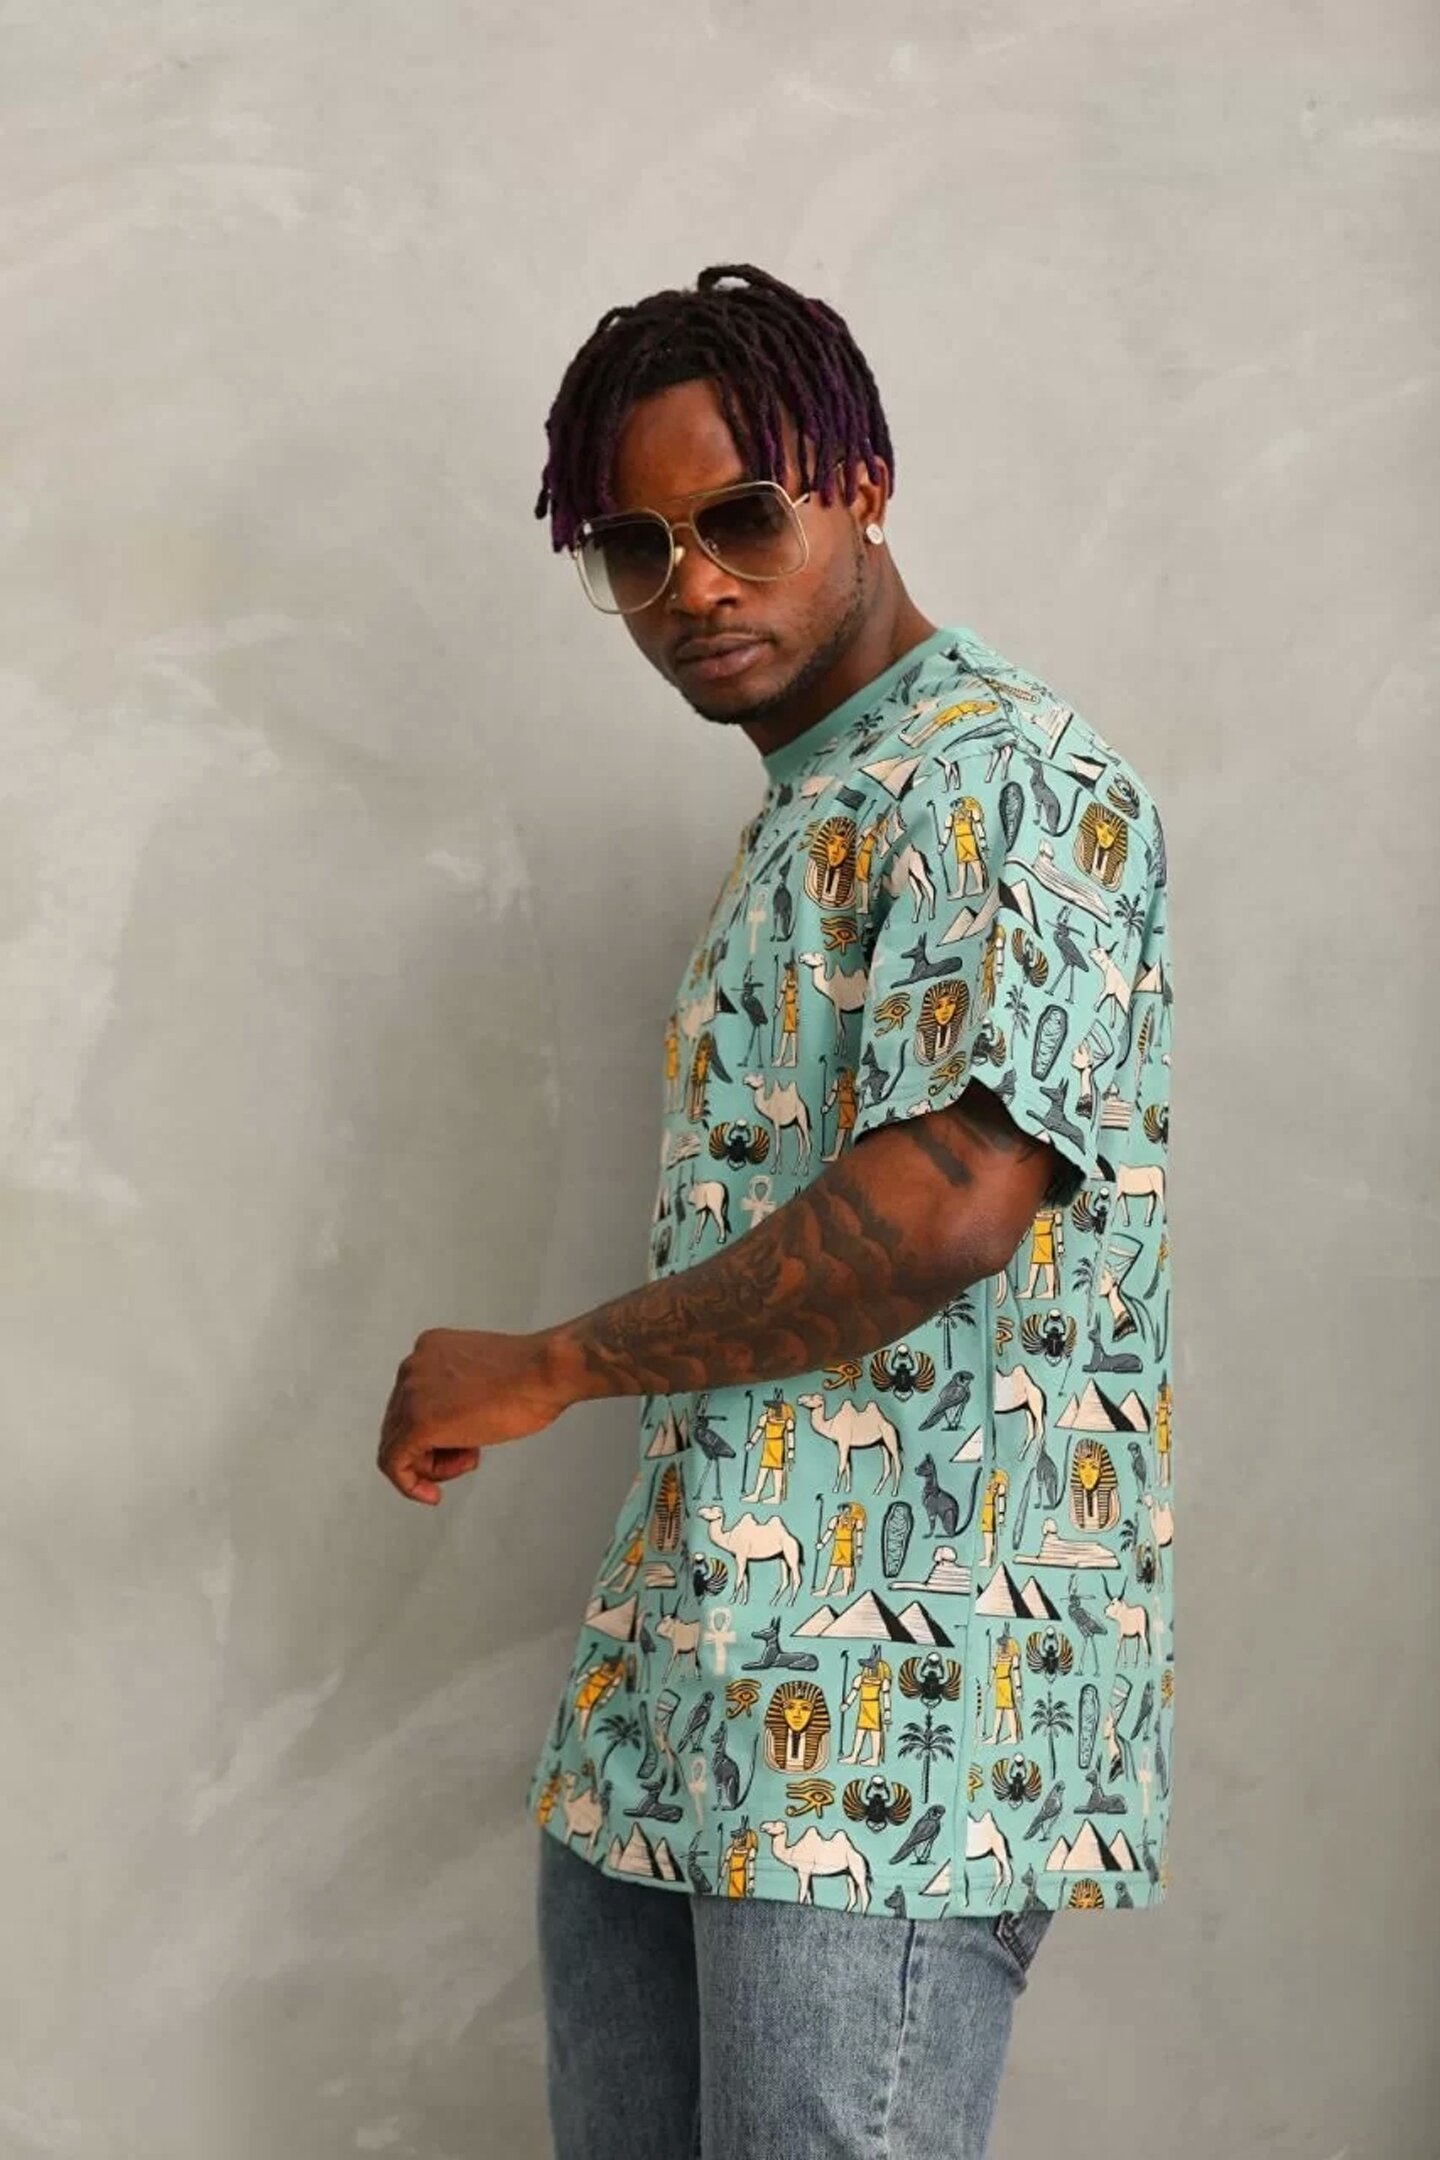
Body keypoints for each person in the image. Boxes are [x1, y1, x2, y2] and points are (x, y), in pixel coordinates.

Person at [377, 263, 1176, 2160]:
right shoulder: (827, 801)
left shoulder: (1000, 777)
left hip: (890, 1729)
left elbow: (949, 1206)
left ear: (863, 487)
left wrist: (549, 1365)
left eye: (742, 518)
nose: (694, 587)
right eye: (635, 549)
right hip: (688, 1691)